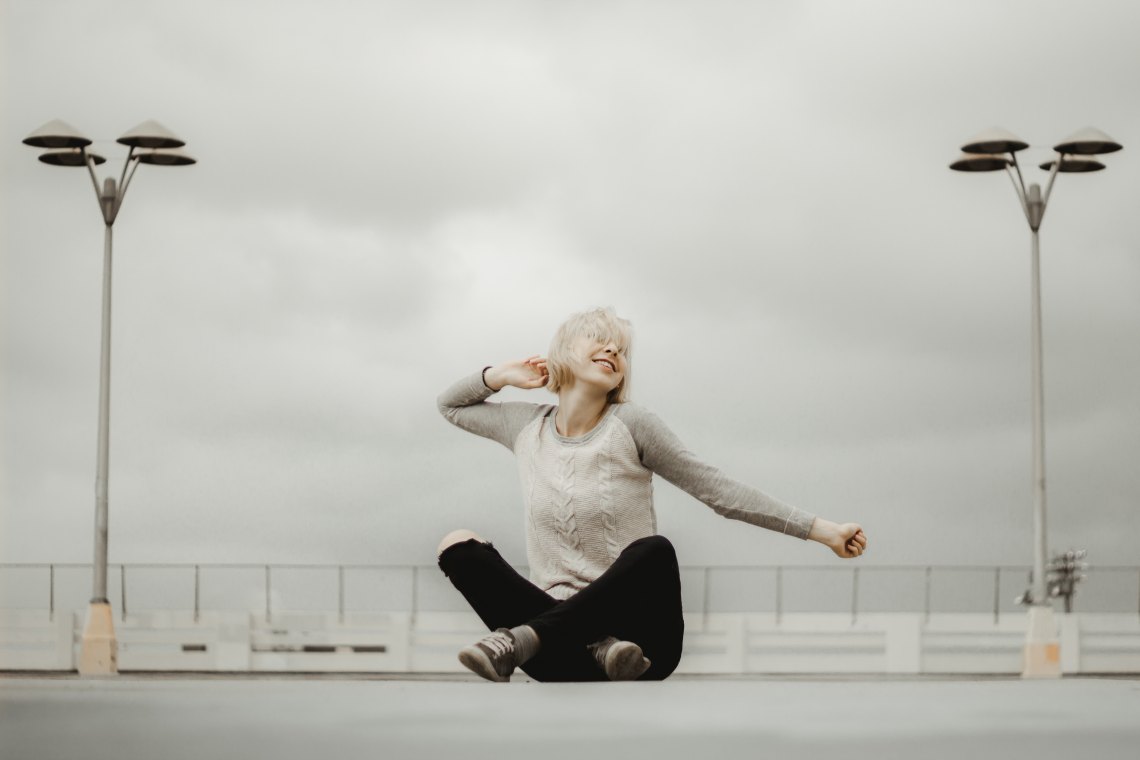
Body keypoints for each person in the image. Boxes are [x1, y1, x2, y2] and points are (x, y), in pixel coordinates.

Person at [436, 307, 867, 683]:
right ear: (562, 352)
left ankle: (527, 639)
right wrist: (501, 376)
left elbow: (719, 491)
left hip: (640, 648)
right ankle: (589, 645)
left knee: (654, 550)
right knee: (457, 545)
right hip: (558, 659)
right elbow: (451, 406)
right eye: (600, 340)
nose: (613, 352)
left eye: (621, 350)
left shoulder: (632, 424)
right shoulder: (525, 427)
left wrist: (822, 531)